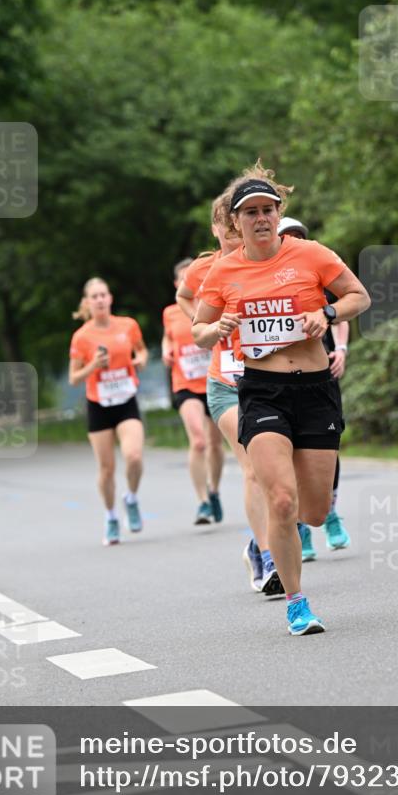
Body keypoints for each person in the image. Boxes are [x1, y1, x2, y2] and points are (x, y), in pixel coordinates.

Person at [194, 163, 370, 635]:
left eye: (267, 209)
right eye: (249, 212)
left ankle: (297, 508)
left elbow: (359, 296)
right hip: (262, 390)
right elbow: (199, 330)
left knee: (311, 511)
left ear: (279, 213)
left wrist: (326, 311)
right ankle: (296, 602)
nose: (260, 218)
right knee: (281, 499)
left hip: (314, 390)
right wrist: (217, 329)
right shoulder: (223, 270)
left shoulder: (311, 255)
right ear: (236, 222)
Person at [177, 196, 281, 595]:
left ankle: (258, 543)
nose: (234, 231)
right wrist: (207, 324)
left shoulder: (261, 260)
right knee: (253, 465)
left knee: (281, 476)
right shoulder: (206, 269)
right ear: (216, 229)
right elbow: (185, 299)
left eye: (236, 224)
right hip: (226, 381)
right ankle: (270, 558)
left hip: (270, 379)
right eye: (226, 225)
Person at [277, 217, 351, 560]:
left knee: (327, 447)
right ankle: (301, 527)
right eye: (287, 237)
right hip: (282, 376)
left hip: (322, 370)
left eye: (299, 237)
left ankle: (330, 510)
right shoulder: (267, 277)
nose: (294, 241)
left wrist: (341, 350)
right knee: (288, 451)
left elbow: (345, 307)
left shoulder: (315, 267)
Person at [69, 277, 148, 546]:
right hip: (99, 405)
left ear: (110, 298)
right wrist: (93, 366)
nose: (100, 300)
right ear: (88, 303)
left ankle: (132, 498)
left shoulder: (128, 325)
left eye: (104, 295)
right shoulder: (81, 337)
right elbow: (74, 378)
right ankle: (111, 516)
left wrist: (142, 359)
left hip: (126, 400)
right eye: (95, 296)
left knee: (134, 456)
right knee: (106, 469)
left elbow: (141, 350)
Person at [162, 257, 224, 525]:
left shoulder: (214, 305)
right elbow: (169, 334)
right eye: (184, 277)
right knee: (198, 441)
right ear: (178, 284)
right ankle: (201, 503)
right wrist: (166, 348)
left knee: (215, 443)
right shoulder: (171, 312)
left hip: (214, 379)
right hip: (186, 384)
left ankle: (214, 490)